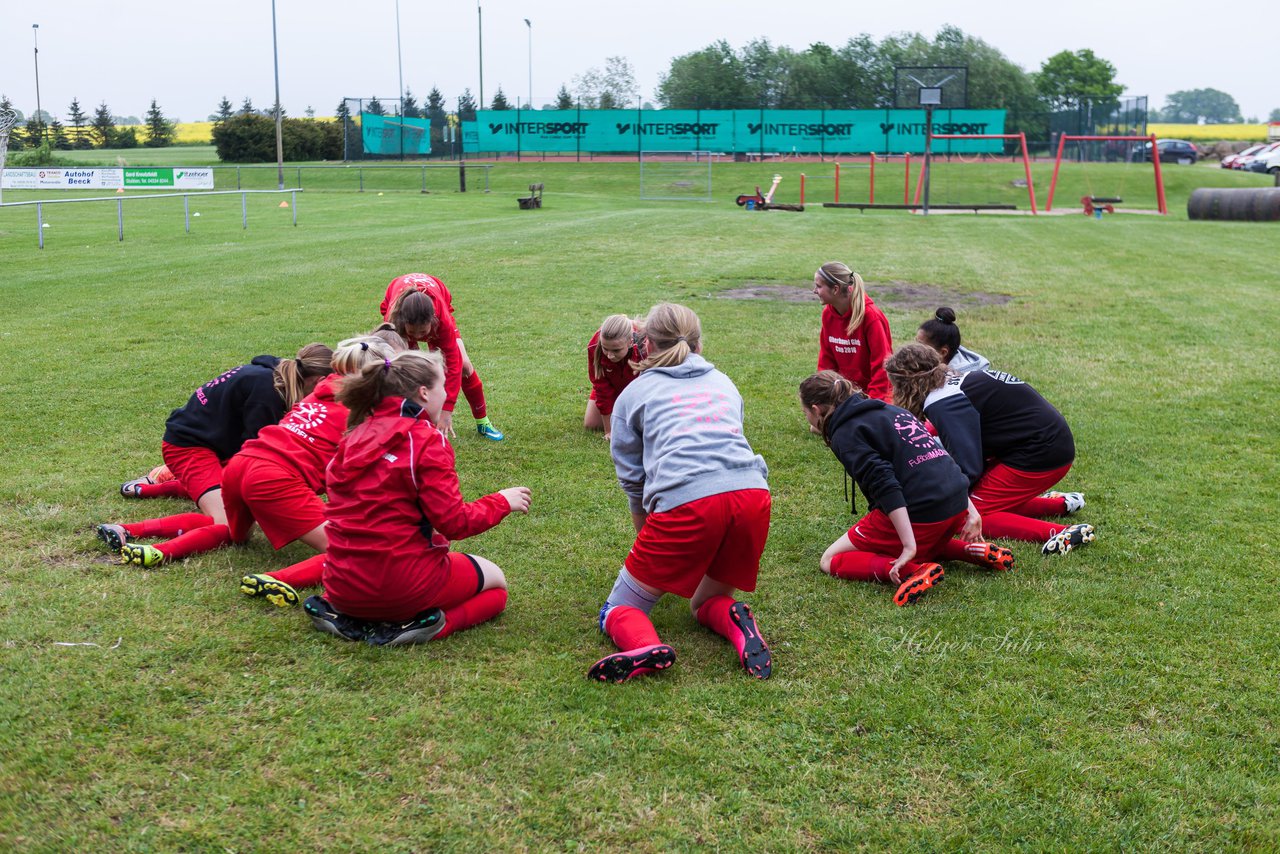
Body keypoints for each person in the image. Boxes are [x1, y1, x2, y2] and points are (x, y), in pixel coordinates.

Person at [590, 302, 773, 683]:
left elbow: (634, 482)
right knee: (705, 602)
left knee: (617, 610)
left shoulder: (633, 395)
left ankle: (642, 645)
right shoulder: (724, 381)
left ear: (645, 344)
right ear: (698, 343)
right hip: (753, 496)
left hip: (689, 504)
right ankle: (738, 624)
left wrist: (649, 537)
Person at [304, 349, 531, 646]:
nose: (448, 394)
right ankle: (426, 626)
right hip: (404, 586)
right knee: (496, 586)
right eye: (444, 387)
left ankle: (345, 616)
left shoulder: (352, 436)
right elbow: (455, 522)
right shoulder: (425, 439)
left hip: (341, 586)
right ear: (424, 393)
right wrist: (502, 501)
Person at [200, 335, 401, 608]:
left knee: (233, 535)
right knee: (356, 552)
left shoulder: (321, 389)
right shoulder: (367, 415)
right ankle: (277, 578)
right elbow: (352, 476)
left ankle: (144, 528)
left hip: (241, 463)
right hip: (271, 480)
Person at [97, 344, 333, 567]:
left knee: (240, 501)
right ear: (317, 380)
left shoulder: (273, 373)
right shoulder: (267, 394)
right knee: (229, 525)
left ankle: (154, 486)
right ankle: (127, 529)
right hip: (189, 450)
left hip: (209, 446)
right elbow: (257, 452)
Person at [798, 370, 1016, 606]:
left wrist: (908, 546)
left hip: (924, 512)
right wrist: (970, 510)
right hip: (955, 506)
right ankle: (970, 551)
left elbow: (885, 485)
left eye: (805, 412)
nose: (806, 417)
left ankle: (914, 570)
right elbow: (940, 458)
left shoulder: (846, 434)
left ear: (816, 409)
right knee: (924, 541)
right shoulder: (893, 411)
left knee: (831, 558)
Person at [884, 343, 1094, 555]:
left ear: (907, 384)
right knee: (981, 497)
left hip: (1041, 454)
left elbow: (969, 467)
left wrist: (940, 492)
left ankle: (1063, 532)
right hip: (1043, 444)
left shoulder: (941, 402)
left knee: (966, 513)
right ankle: (1060, 505)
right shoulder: (951, 383)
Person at [381, 273, 504, 441]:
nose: (417, 336)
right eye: (413, 333)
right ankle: (414, 423)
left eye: (423, 332)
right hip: (399, 305)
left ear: (433, 320)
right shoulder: (395, 318)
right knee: (411, 370)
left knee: (465, 367)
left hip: (439, 302)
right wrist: (411, 347)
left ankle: (483, 422)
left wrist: (447, 411)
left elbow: (454, 364)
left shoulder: (442, 320)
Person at [813, 261, 893, 403]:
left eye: (819, 286)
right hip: (845, 394)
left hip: (874, 395)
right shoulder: (828, 314)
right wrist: (824, 392)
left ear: (835, 289)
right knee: (817, 425)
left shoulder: (871, 317)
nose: (814, 291)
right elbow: (826, 361)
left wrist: (871, 402)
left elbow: (882, 365)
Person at [583, 314, 646, 440]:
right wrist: (609, 431)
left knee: (641, 426)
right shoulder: (594, 347)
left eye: (616, 350)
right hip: (613, 384)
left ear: (630, 342)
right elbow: (601, 387)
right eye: (605, 349)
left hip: (639, 390)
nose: (610, 356)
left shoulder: (645, 344)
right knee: (592, 424)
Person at [916, 307, 990, 374]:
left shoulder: (964, 378)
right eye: (916, 342)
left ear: (942, 352)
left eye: (921, 346)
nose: (914, 348)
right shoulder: (923, 362)